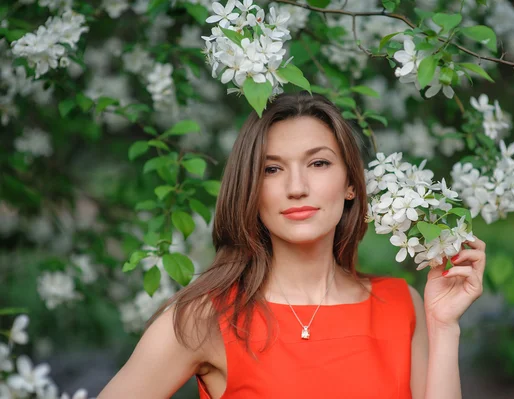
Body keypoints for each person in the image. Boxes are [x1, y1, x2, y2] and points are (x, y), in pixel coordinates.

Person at [98, 92, 486, 399]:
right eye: (272, 169)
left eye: (318, 163)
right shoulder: (205, 317)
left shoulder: (403, 305)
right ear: (251, 187)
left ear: (352, 184)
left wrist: (444, 326)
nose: (297, 187)